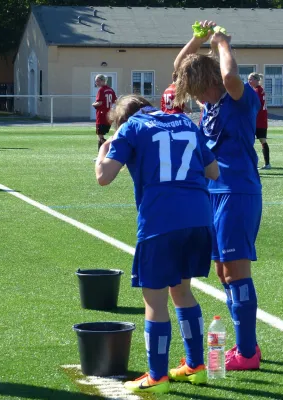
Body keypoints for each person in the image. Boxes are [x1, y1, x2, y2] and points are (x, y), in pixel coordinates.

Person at [96, 95, 219, 394]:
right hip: (200, 218)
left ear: (121, 120)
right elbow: (213, 171)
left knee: (155, 300)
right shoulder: (184, 121)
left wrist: (103, 151)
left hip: (161, 221)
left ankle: (157, 376)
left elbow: (104, 177)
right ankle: (196, 365)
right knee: (183, 291)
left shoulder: (131, 128)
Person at [173, 20, 262, 371]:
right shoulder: (209, 107)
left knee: (237, 272)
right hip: (212, 192)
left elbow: (228, 77)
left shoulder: (239, 98)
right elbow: (179, 67)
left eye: (197, 88)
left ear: (210, 81)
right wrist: (196, 39)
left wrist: (222, 42)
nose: (193, 96)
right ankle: (245, 347)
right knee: (223, 272)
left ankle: (247, 353)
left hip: (237, 191)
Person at [248, 73, 271, 169]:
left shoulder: (257, 91)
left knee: (250, 141)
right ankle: (267, 163)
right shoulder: (260, 90)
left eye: (251, 79)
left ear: (257, 80)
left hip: (257, 120)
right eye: (249, 79)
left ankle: (256, 163)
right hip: (261, 120)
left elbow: (256, 106)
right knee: (262, 141)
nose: (249, 81)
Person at [92, 74, 117, 150]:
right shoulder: (110, 89)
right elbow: (115, 101)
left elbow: (99, 103)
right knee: (101, 135)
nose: (96, 82)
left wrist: (93, 104)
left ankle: (104, 152)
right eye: (96, 81)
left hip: (101, 116)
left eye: (98, 81)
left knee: (100, 136)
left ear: (103, 81)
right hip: (109, 116)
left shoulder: (101, 90)